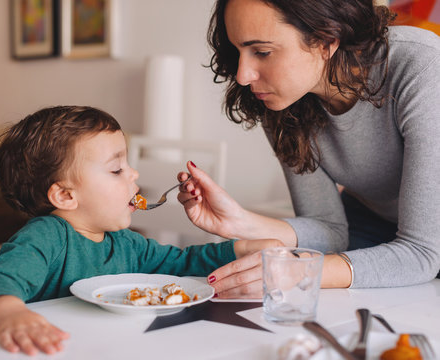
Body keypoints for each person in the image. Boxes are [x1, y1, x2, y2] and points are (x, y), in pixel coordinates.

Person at [177, 0, 440, 297]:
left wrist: (298, 270)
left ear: (327, 41)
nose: (243, 75)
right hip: (372, 224)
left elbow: (423, 253)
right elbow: (329, 230)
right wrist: (240, 221)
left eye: (262, 52)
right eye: (239, 51)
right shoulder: (281, 98)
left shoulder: (422, 66)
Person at [0, 105, 279, 355]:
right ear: (65, 196)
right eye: (116, 169)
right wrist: (11, 314)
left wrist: (240, 248)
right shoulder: (47, 237)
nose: (133, 173)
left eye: (127, 164)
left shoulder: (128, 244)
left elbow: (183, 264)